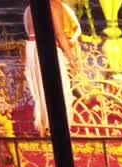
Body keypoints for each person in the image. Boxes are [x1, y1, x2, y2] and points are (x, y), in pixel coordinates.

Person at [23, 0, 80, 136]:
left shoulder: (30, 8)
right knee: (61, 90)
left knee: (40, 90)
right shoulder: (54, 5)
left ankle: (43, 128)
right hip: (47, 48)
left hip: (31, 48)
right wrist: (71, 58)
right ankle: (59, 130)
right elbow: (59, 33)